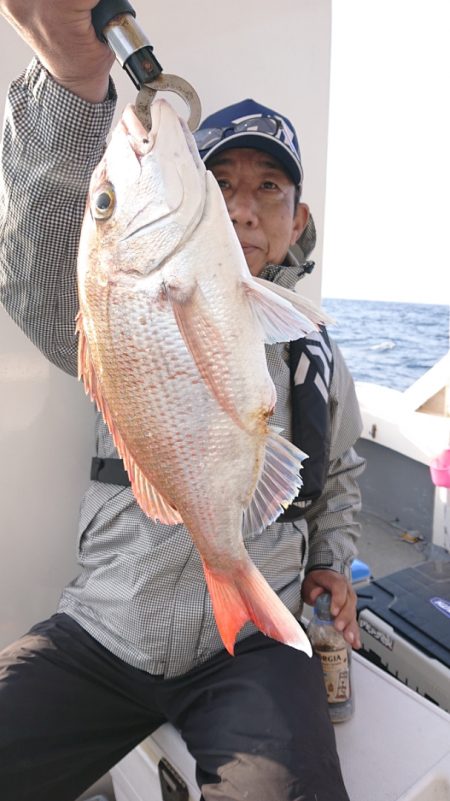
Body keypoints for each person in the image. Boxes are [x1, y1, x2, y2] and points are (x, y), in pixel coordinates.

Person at [0, 4, 365, 801]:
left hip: (255, 653)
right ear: (193, 188)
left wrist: (332, 563)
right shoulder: (124, 296)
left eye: (268, 188)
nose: (241, 205)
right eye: (223, 180)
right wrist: (70, 83)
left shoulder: (314, 352)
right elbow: (31, 273)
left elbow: (340, 474)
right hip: (105, 625)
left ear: (297, 218)